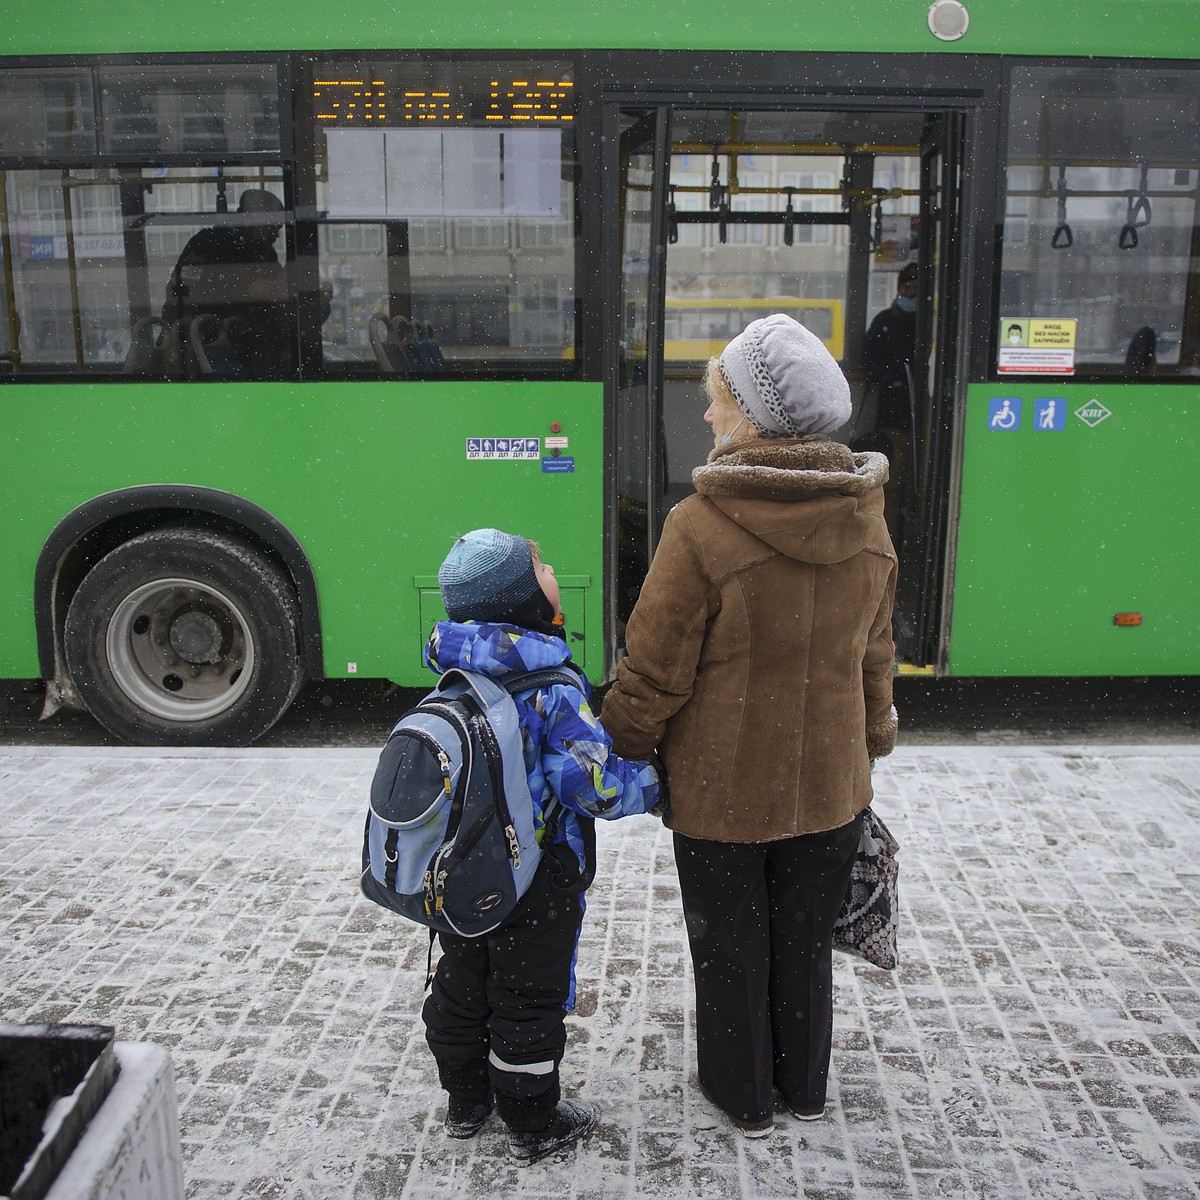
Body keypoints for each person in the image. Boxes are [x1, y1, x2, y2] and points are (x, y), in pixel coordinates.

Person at [599, 313, 898, 1138]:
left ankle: (742, 1094)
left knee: (729, 949)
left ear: (755, 416)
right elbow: (877, 656)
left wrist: (614, 744)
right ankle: (802, 1084)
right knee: (803, 944)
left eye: (718, 399)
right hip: (831, 787)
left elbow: (657, 668)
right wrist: (872, 740)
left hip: (723, 794)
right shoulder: (864, 519)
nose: (706, 416)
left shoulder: (699, 525)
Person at [420, 528, 665, 1165]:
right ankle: (532, 1118)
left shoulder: (454, 671)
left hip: (465, 871)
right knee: (528, 994)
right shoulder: (551, 684)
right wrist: (656, 786)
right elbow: (591, 785)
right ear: (523, 596)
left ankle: (466, 1101)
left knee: (462, 979)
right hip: (539, 872)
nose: (553, 568)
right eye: (540, 565)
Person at [158, 188, 291, 379]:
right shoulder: (207, 244)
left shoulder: (265, 254)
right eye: (272, 228)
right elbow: (183, 296)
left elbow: (279, 296)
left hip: (251, 351)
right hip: (204, 349)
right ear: (253, 221)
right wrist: (246, 292)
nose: (276, 237)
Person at [859, 262, 919, 538]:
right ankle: (890, 538)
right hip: (894, 415)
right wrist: (895, 377)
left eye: (917, 289)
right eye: (907, 287)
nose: (911, 293)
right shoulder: (885, 322)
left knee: (913, 483)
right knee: (891, 485)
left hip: (922, 415)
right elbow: (868, 363)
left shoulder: (931, 325)